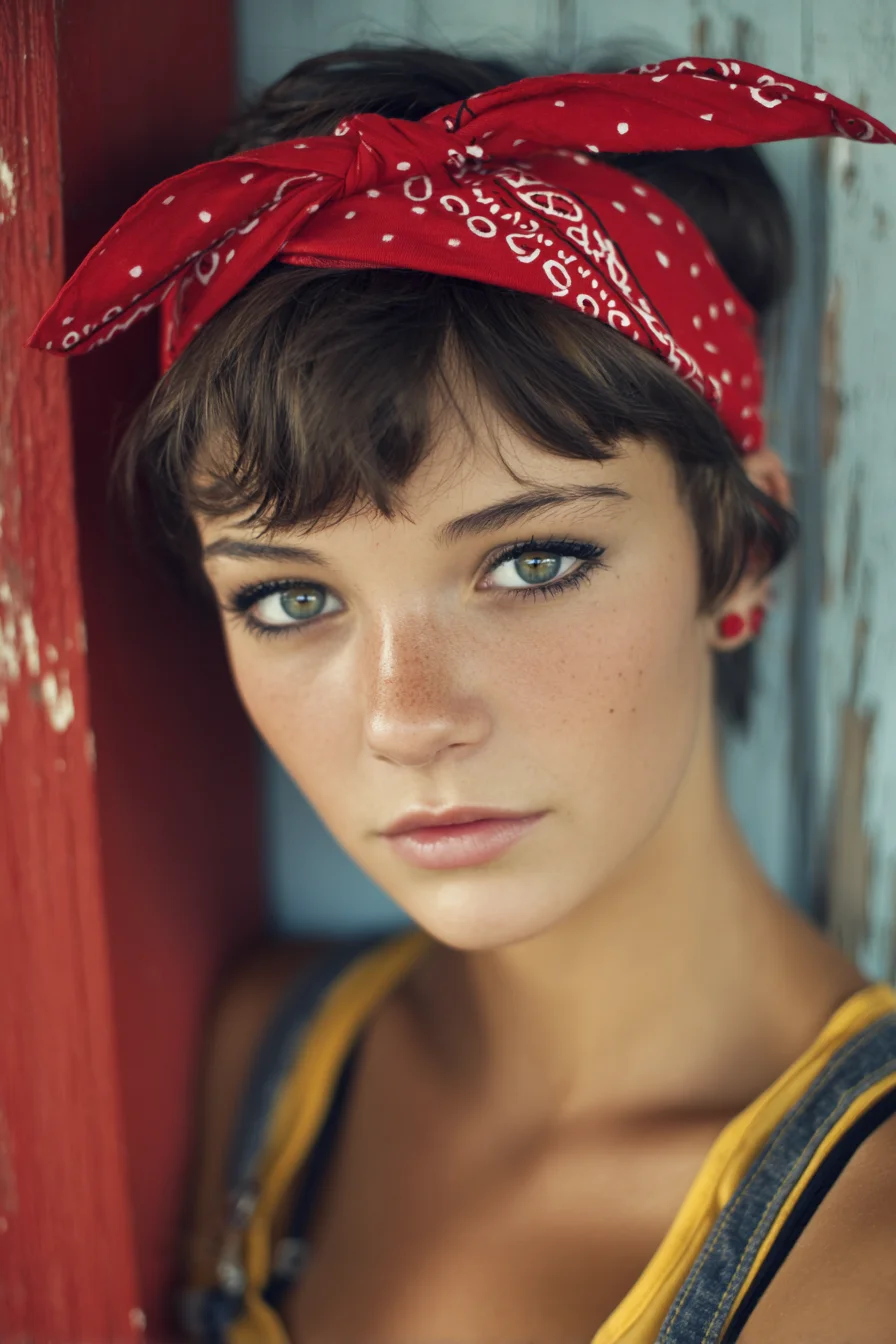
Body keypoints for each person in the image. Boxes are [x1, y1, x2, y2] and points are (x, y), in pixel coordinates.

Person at [32, 44, 896, 1344]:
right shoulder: (275, 1061)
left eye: (530, 562)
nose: (406, 717)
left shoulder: (869, 1254)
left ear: (740, 553)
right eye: (291, 598)